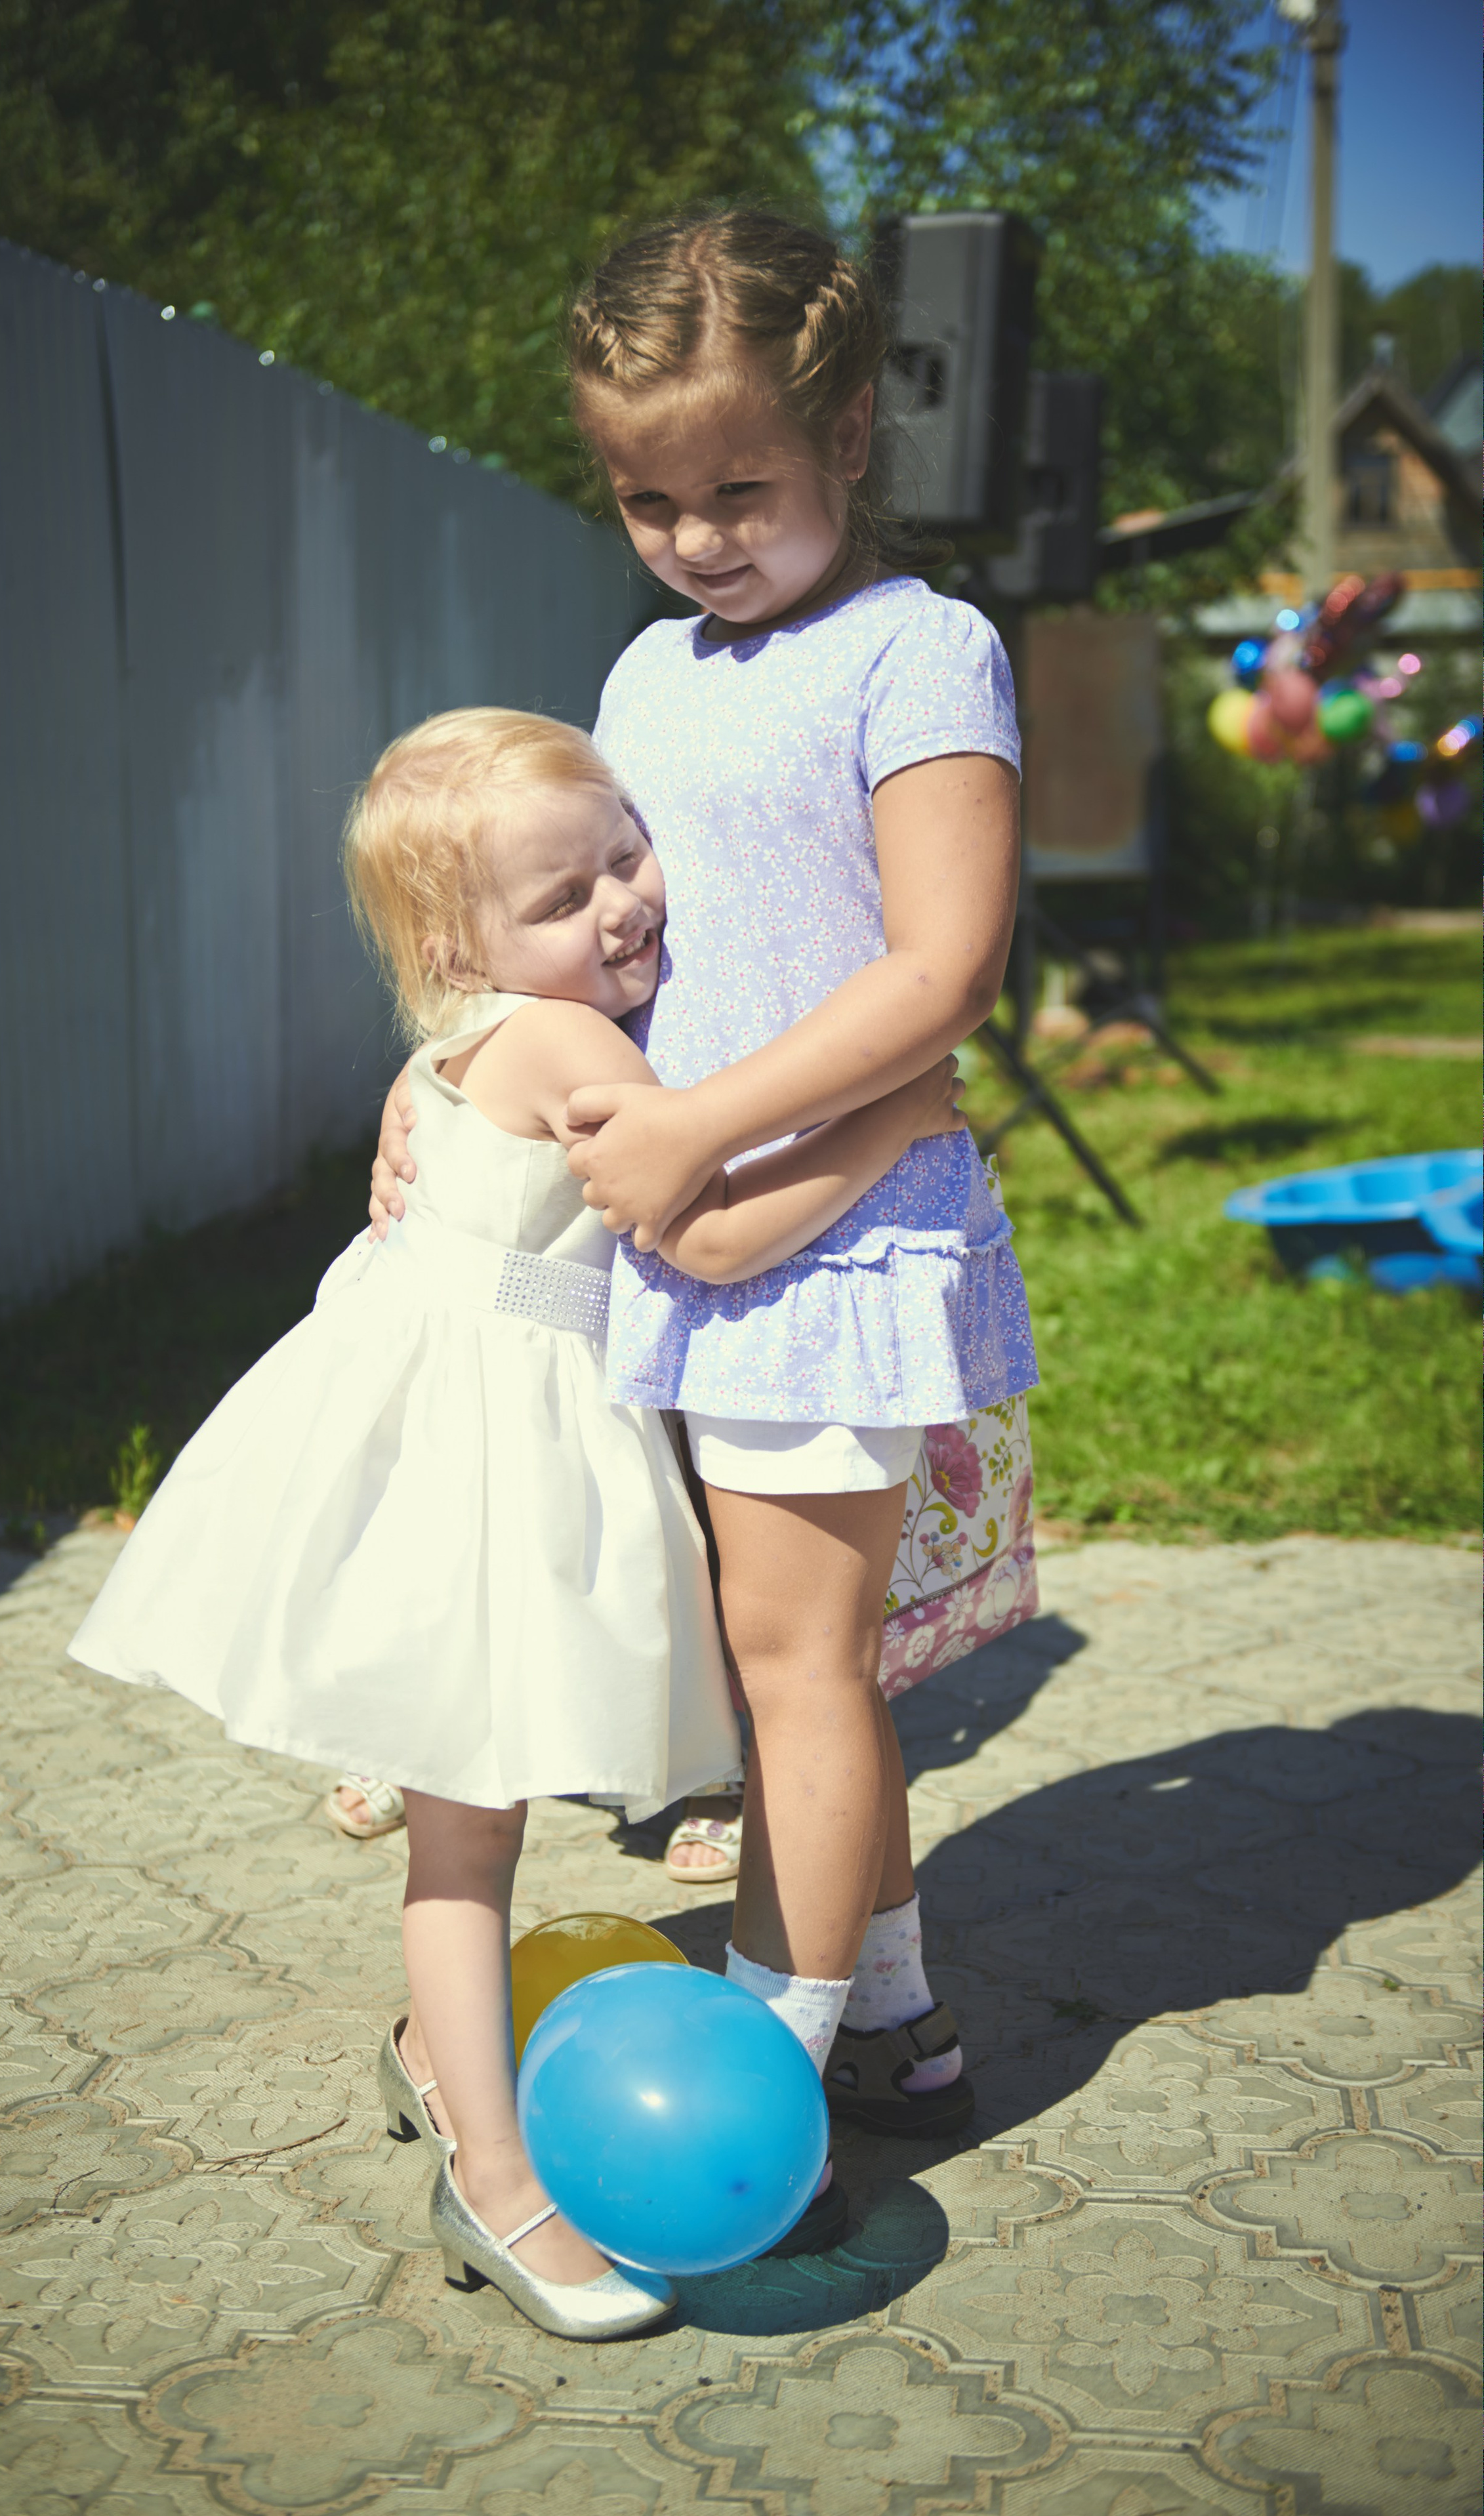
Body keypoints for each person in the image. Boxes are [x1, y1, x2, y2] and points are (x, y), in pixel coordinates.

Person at [70, 706, 968, 2338]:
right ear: (456, 940)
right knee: (469, 1830)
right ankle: (497, 2182)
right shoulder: (570, 1044)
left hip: (446, 1442)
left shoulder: (461, 1040)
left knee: (459, 1827)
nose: (620, 907)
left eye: (625, 856)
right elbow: (696, 1239)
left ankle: (446, 2071)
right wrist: (887, 1123)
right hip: (495, 1456)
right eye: (563, 897)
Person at [373, 209, 1036, 2245]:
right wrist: (431, 1084)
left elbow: (945, 970)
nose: (694, 537)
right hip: (678, 1248)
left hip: (832, 1249)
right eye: (648, 496)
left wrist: (716, 1156)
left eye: (738, 485)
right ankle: (905, 2025)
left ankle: (776, 2076)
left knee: (796, 1672)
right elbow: (561, 940)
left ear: (849, 427)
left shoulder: (923, 647)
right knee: (789, 1674)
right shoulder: (646, 667)